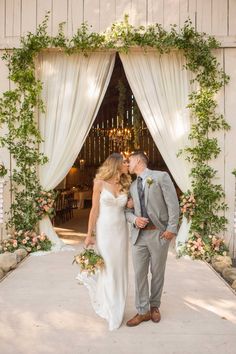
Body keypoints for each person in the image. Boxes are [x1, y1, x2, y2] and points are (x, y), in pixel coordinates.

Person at [125, 151, 179, 327]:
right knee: (139, 274)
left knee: (157, 273)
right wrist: (135, 220)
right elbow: (126, 211)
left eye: (130, 160)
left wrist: (172, 228)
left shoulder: (160, 177)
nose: (127, 163)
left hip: (158, 234)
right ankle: (143, 311)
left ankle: (155, 306)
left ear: (139, 160)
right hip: (138, 237)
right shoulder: (132, 186)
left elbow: (173, 203)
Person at [79, 153, 131, 331]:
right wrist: (89, 234)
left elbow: (131, 207)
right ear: (116, 164)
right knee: (107, 268)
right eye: (124, 162)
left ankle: (119, 305)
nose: (127, 164)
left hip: (122, 232)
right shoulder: (99, 183)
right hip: (105, 231)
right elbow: (94, 211)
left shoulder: (126, 183)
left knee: (119, 269)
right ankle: (111, 310)